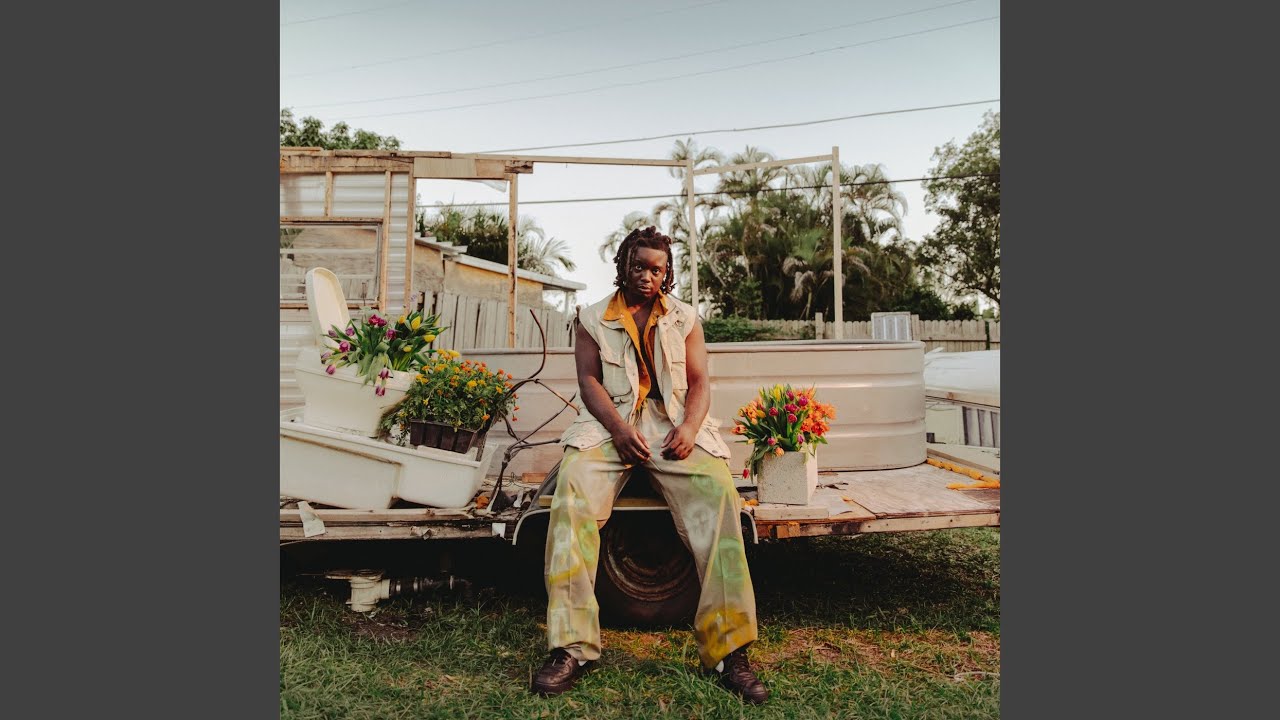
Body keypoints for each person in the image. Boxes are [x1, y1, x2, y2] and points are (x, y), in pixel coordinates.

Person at [530, 226, 768, 704]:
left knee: (721, 494)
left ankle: (730, 651)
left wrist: (690, 428)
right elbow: (588, 381)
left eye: (657, 269)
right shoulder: (592, 317)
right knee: (571, 492)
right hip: (610, 426)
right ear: (623, 265)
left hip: (671, 425)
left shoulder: (685, 318)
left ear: (667, 273)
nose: (647, 276)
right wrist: (619, 431)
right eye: (639, 266)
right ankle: (571, 649)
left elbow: (699, 382)